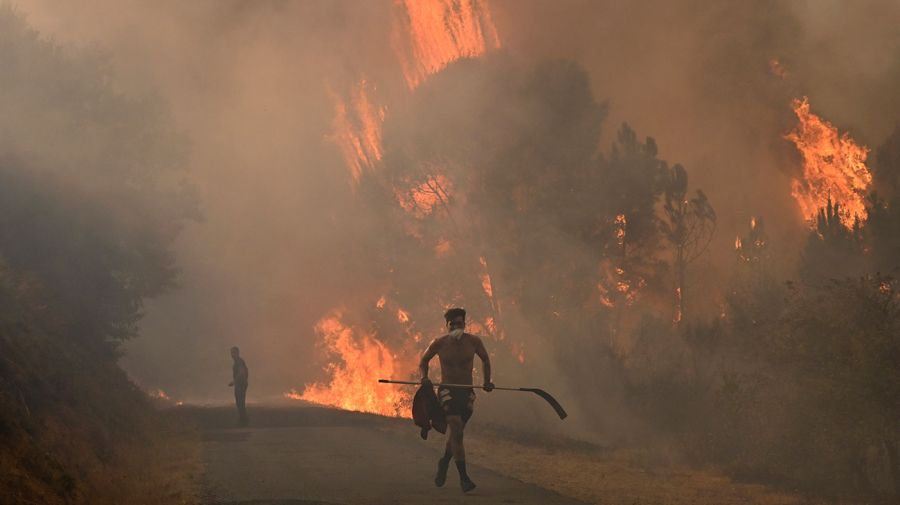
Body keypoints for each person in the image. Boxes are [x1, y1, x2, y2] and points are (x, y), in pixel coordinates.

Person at [418, 307, 493, 493]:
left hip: (466, 392)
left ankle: (444, 462)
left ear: (464, 324)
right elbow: (423, 361)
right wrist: (424, 377)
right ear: (446, 326)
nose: (455, 327)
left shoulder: (474, 342)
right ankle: (464, 478)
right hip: (447, 391)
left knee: (455, 434)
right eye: (452, 324)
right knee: (456, 428)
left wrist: (486, 381)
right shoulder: (439, 343)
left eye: (459, 323)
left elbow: (485, 359)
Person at [228, 346, 249, 427]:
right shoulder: (238, 362)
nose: (232, 355)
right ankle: (243, 419)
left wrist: (234, 381)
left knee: (240, 402)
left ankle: (243, 420)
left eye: (233, 353)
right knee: (240, 402)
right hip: (240, 384)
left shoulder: (239, 362)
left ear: (237, 353)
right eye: (231, 353)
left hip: (241, 384)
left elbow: (241, 373)